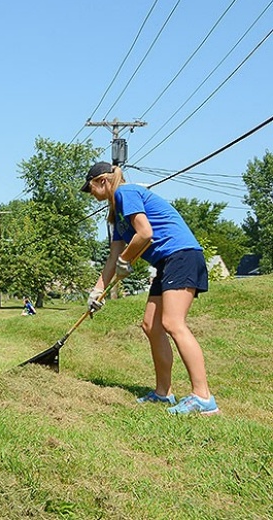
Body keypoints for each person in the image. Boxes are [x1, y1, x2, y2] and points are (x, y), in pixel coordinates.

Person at [82, 162, 218, 416]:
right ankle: (163, 393)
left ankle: (203, 397)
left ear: (102, 181)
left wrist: (126, 259)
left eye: (90, 189)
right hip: (165, 262)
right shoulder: (116, 215)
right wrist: (97, 291)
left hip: (182, 255)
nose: (91, 195)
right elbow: (113, 257)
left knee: (173, 323)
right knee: (151, 325)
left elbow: (145, 233)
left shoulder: (126, 193)